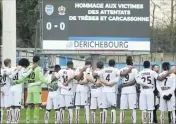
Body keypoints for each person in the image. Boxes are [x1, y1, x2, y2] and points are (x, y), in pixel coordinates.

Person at [14, 56, 49, 123]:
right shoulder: (38, 68)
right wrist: (49, 84)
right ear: (38, 61)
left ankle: (27, 121)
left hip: (29, 89)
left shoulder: (28, 68)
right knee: (36, 105)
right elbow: (42, 79)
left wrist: (17, 82)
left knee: (29, 105)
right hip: (36, 89)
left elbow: (23, 78)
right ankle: (35, 121)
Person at [97, 59, 132, 124]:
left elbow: (97, 74)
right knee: (113, 107)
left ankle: (103, 122)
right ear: (114, 64)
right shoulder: (115, 70)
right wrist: (129, 69)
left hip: (104, 90)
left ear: (108, 64)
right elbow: (123, 73)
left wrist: (104, 81)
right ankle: (113, 122)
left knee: (104, 108)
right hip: (111, 90)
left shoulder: (104, 70)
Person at [9, 58, 29, 123]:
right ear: (25, 65)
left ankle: (10, 121)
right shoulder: (23, 69)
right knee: (17, 106)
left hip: (11, 88)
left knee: (11, 106)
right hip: (17, 89)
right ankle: (15, 122)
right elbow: (25, 76)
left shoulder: (13, 68)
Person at [119, 56, 138, 124]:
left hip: (124, 89)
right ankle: (133, 122)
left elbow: (120, 77)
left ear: (126, 62)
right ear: (132, 62)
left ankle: (122, 122)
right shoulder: (135, 70)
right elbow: (135, 81)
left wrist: (124, 85)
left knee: (122, 108)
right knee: (132, 108)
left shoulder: (122, 69)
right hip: (132, 89)